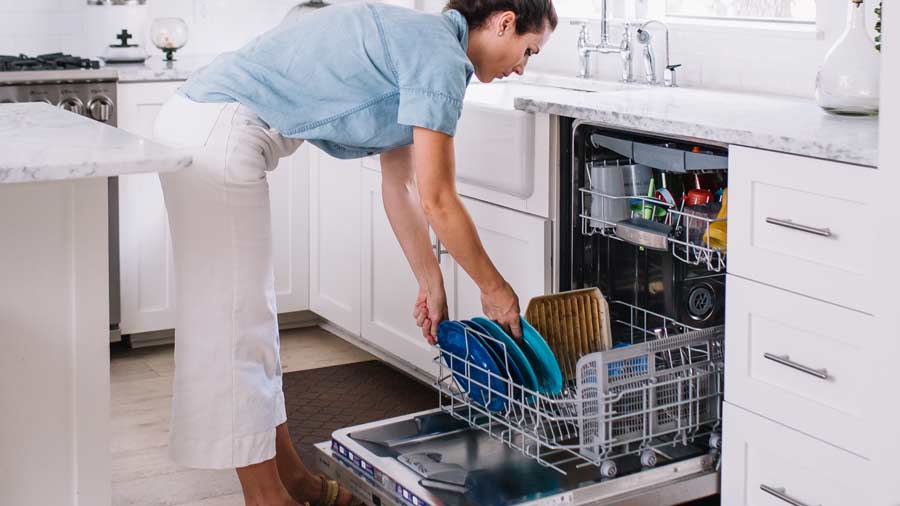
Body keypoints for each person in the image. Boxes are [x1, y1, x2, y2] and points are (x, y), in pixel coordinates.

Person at [151, 0, 557, 504]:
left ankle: (294, 483)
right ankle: (267, 498)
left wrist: (430, 282)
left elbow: (402, 185)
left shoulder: (424, 43)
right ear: (503, 23)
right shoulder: (440, 58)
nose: (522, 66)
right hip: (218, 130)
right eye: (528, 50)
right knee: (235, 325)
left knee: (249, 319)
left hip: (208, 123)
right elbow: (439, 199)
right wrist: (495, 291)